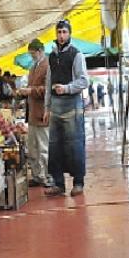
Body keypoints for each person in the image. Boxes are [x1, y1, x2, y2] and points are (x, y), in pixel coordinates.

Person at [43, 19, 88, 197]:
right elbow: (48, 84)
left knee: (74, 144)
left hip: (72, 105)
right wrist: (47, 107)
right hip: (55, 106)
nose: (61, 35)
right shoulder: (52, 56)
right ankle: (58, 184)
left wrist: (67, 88)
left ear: (69, 34)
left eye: (64, 32)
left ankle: (78, 183)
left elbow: (84, 81)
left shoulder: (76, 55)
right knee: (54, 146)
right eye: (59, 32)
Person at [17, 39, 51, 187]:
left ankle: (50, 177)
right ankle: (37, 175)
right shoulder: (33, 67)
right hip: (32, 114)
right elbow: (33, 87)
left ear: (40, 51)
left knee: (44, 148)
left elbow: (49, 89)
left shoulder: (48, 66)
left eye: (33, 54)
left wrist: (31, 91)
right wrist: (24, 91)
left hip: (43, 113)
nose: (31, 57)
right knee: (32, 149)